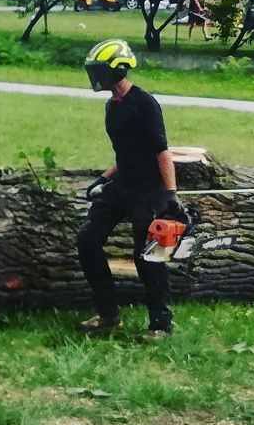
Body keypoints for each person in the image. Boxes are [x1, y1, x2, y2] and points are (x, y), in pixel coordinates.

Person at [76, 38, 188, 340]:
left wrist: (170, 195)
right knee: (87, 240)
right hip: (122, 185)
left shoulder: (145, 104)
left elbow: (162, 151)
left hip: (148, 190)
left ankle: (160, 325)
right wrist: (103, 178)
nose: (96, 77)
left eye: (100, 70)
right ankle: (108, 315)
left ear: (118, 69)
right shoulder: (112, 106)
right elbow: (125, 152)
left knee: (148, 256)